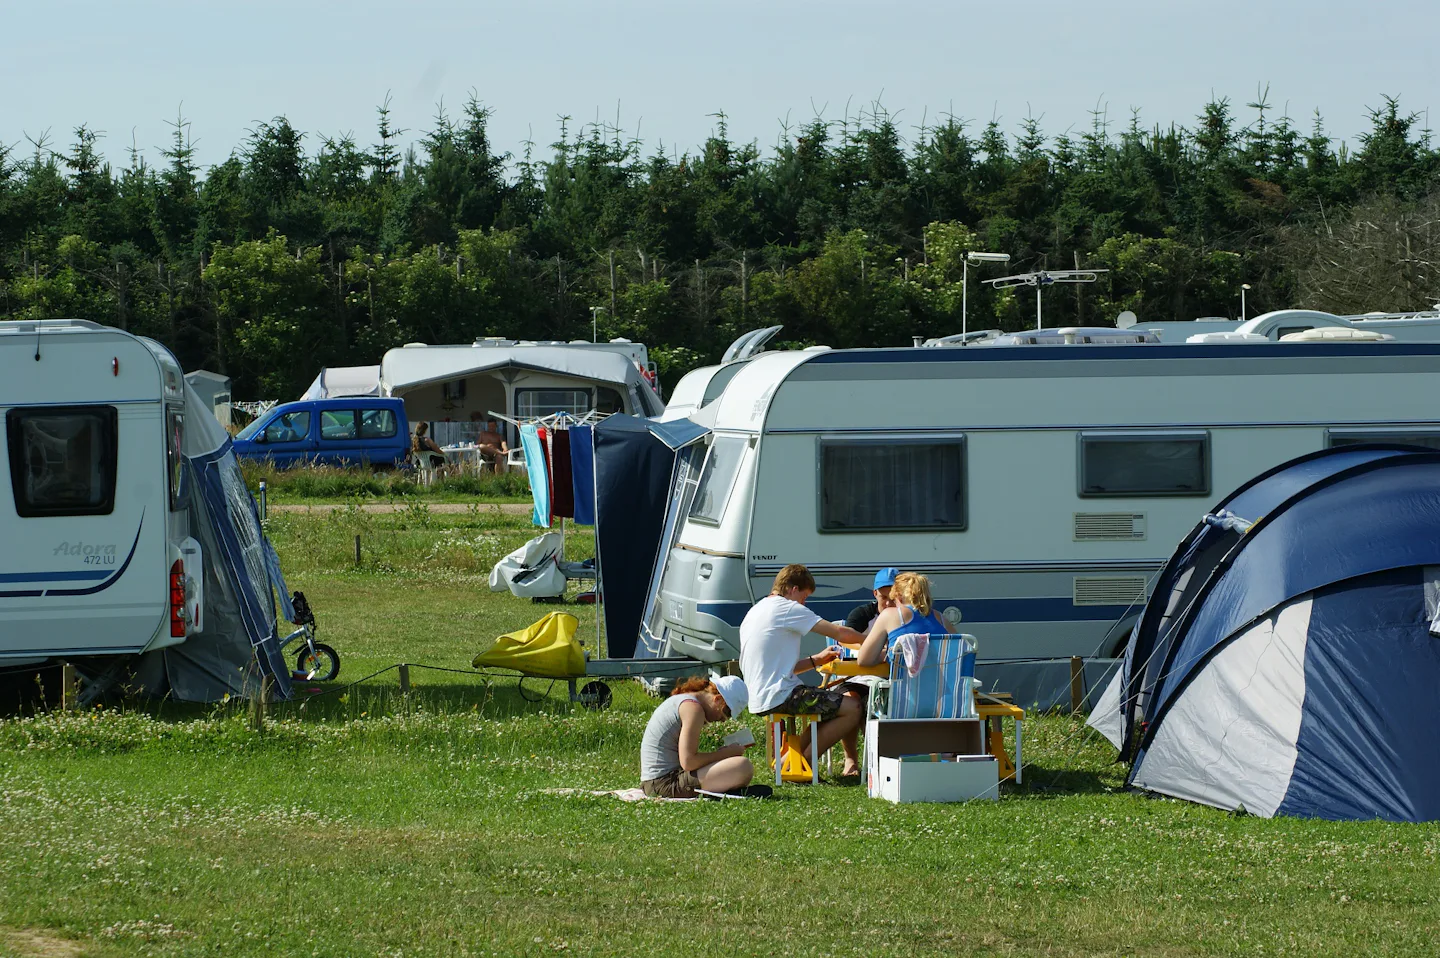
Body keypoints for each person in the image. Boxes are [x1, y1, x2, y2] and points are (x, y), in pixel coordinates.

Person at [739, 564, 867, 777]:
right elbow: (839, 632)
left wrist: (816, 660)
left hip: (760, 695)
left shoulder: (757, 610)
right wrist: (873, 640)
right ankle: (803, 764)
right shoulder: (787, 607)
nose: (804, 602)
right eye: (805, 596)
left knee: (831, 704)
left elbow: (778, 666)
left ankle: (789, 761)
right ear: (793, 589)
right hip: (780, 694)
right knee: (853, 707)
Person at [640, 674, 755, 798]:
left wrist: (722, 756)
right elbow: (689, 762)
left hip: (657, 782)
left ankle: (721, 789)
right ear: (717, 699)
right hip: (662, 785)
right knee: (743, 766)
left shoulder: (686, 701)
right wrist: (726, 754)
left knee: (737, 767)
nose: (724, 719)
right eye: (727, 712)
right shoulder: (693, 709)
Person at [857, 572, 948, 668]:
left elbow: (863, 660)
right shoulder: (941, 619)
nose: (890, 604)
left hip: (904, 682)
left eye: (893, 600)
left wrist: (887, 654)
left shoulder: (889, 615)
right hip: (941, 682)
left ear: (899, 597)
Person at [844, 567, 900, 635]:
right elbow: (845, 640)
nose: (888, 603)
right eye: (884, 597)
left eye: (893, 598)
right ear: (875, 593)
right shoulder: (862, 614)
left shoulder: (910, 615)